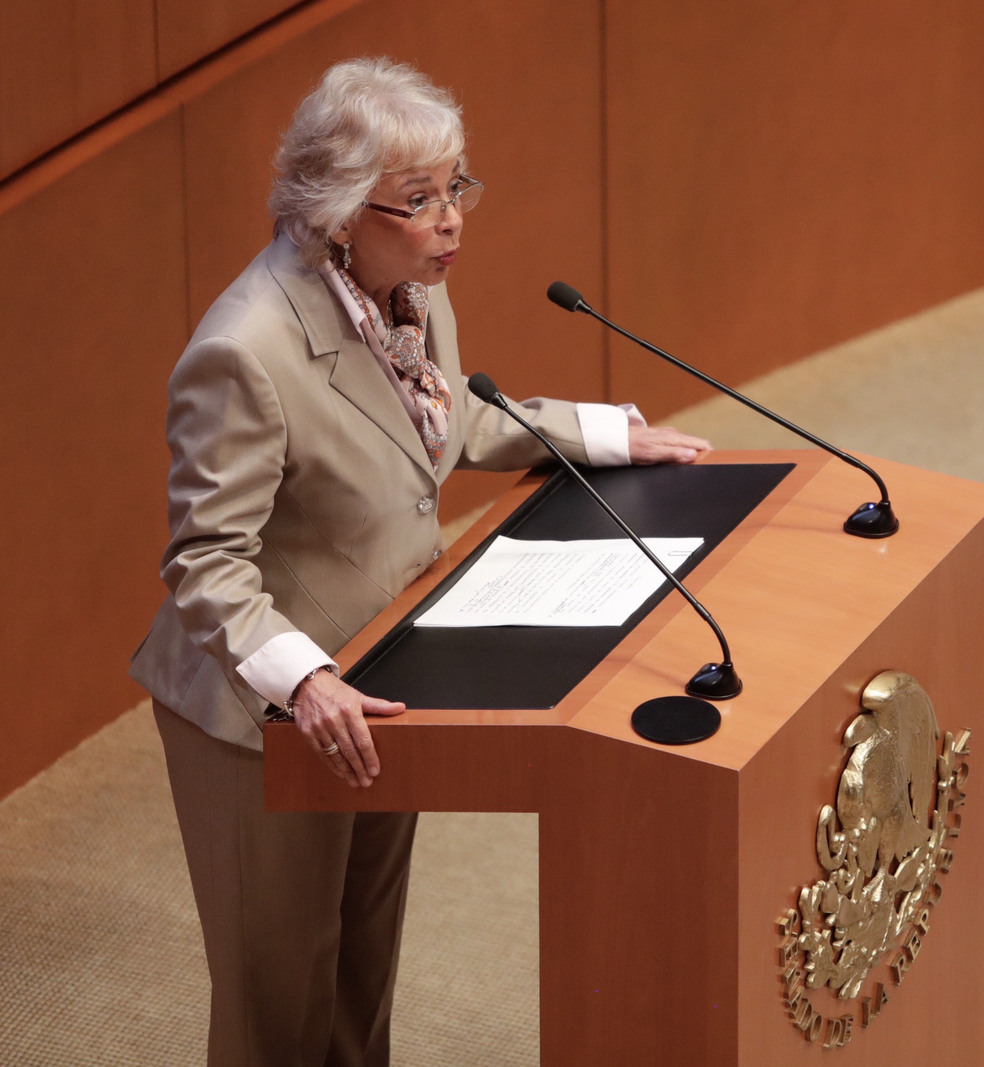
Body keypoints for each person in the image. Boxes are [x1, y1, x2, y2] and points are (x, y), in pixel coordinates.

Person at [130, 57, 711, 1066]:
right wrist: (304, 678)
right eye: (421, 200)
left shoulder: (407, 296)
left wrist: (603, 434)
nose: (452, 222)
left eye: (456, 188)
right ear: (340, 212)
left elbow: (443, 423)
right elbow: (204, 561)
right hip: (262, 709)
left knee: (360, 977)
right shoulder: (247, 351)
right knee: (281, 1001)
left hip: (381, 672)